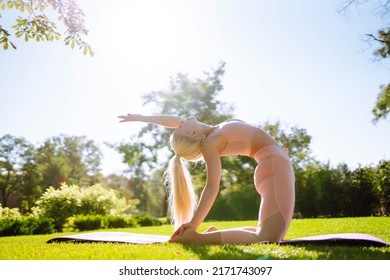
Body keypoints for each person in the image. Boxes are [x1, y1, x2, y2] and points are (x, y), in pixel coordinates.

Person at [118, 114, 295, 244]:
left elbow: (173, 120)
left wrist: (143, 118)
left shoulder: (212, 131)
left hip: (274, 166)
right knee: (268, 239)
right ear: (194, 133)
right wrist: (193, 226)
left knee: (263, 233)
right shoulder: (211, 143)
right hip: (274, 167)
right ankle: (198, 239)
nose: (180, 122)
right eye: (180, 128)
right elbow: (211, 187)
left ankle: (212, 235)